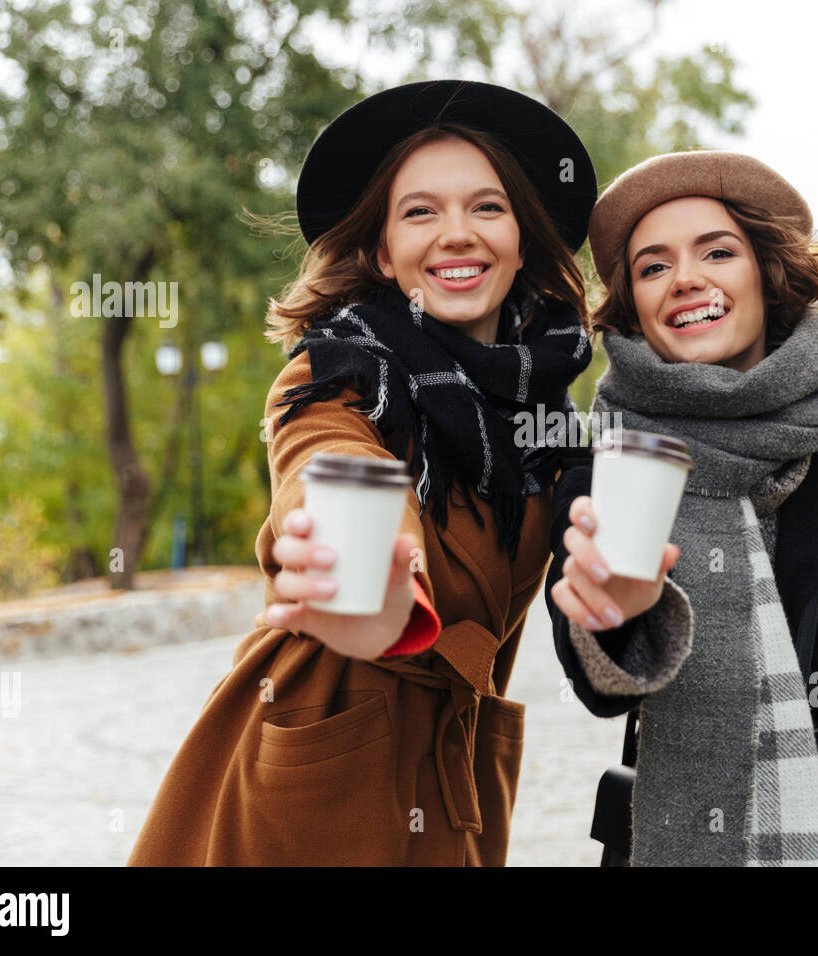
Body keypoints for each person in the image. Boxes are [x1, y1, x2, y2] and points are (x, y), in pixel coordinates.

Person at [128, 80, 596, 866]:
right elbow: (328, 459)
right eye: (420, 212)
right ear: (382, 251)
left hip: (455, 779)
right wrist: (368, 568)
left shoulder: (548, 417)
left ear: (521, 239)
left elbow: (596, 580)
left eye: (487, 207)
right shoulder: (336, 372)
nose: (457, 234)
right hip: (317, 771)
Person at [546, 150, 818, 866]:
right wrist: (618, 620)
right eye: (654, 266)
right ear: (634, 310)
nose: (685, 278)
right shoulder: (608, 469)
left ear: (767, 272)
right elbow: (600, 687)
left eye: (717, 252)